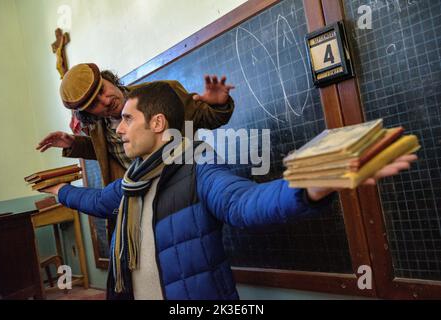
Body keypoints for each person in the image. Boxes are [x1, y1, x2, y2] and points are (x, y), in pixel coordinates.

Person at [43, 82, 418, 300]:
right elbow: (96, 200)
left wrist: (307, 186)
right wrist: (62, 191)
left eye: (127, 119)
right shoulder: (131, 183)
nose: (119, 130)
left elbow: (244, 203)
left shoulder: (199, 168)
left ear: (157, 123)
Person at [36, 63, 236, 187]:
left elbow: (206, 118)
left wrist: (219, 104)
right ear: (88, 114)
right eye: (95, 104)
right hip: (138, 199)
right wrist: (73, 143)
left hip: (184, 187)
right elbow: (106, 152)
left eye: (103, 90)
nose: (105, 101)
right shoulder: (98, 127)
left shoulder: (163, 93)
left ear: (109, 79)